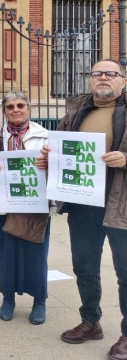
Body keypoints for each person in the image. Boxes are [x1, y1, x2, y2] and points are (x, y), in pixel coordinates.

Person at [38, 59, 127, 359]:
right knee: (84, 267)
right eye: (97, 73)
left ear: (122, 80)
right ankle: (91, 321)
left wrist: (126, 160)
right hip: (83, 203)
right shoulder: (75, 111)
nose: (103, 78)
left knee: (125, 272)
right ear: (90, 79)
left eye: (110, 74)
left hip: (120, 205)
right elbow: (61, 152)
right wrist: (50, 158)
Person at [0, 91, 50, 324]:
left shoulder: (44, 136)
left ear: (28, 108)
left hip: (35, 203)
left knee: (37, 253)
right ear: (4, 111)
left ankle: (39, 300)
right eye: (10, 106)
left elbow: (58, 166)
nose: (16, 109)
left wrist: (48, 164)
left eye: (20, 105)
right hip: (4, 203)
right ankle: (8, 299)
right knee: (7, 253)